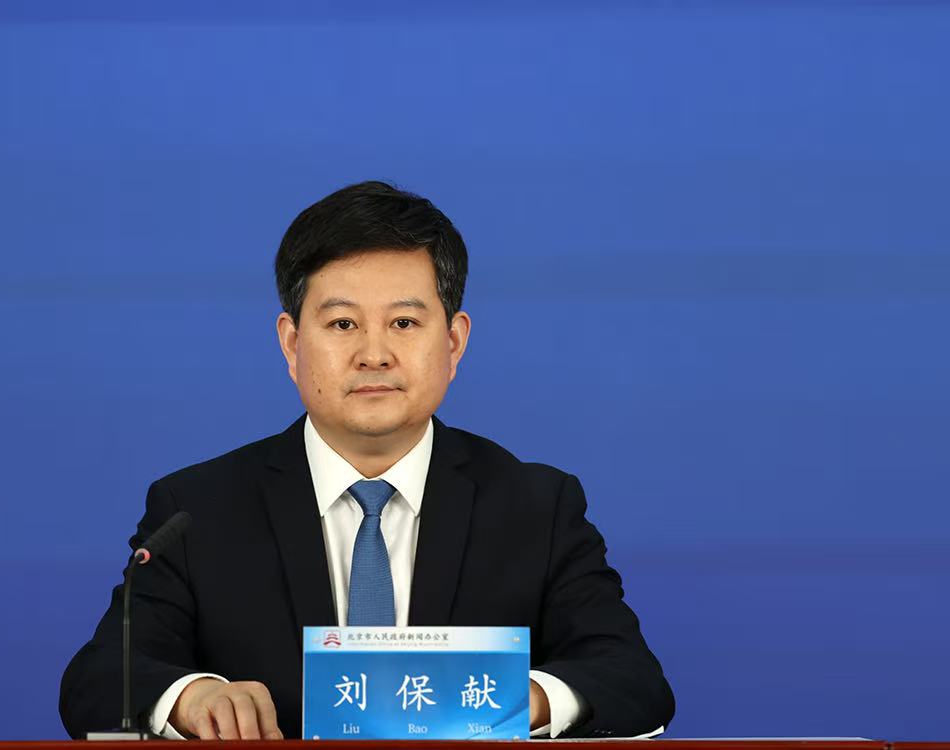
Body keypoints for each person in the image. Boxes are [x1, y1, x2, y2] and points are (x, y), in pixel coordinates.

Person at [59, 181, 674, 740]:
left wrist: (514, 700)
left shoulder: (535, 507)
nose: (374, 354)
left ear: (454, 342)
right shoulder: (196, 512)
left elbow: (633, 679)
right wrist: (191, 697)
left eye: (404, 322)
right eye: (343, 324)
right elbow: (98, 680)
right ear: (292, 344)